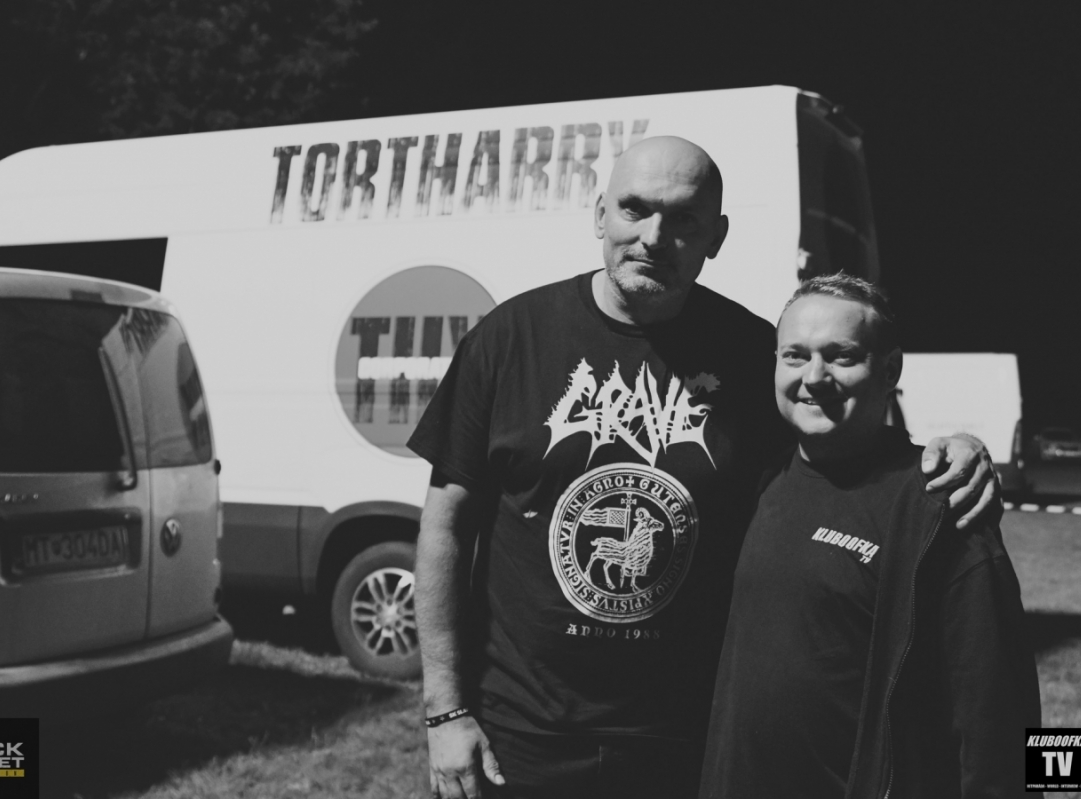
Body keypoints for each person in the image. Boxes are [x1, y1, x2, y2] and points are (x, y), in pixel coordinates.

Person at [408, 136, 999, 799]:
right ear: (600, 215)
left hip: (686, 744)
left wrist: (948, 454)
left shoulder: (753, 355)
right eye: (635, 209)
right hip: (519, 736)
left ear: (715, 237)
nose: (654, 237)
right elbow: (445, 528)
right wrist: (445, 711)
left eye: (684, 219)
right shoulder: (508, 339)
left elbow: (840, 444)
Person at [699, 274, 1041, 799]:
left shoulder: (941, 506)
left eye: (841, 356)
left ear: (890, 370)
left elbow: (1013, 709)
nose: (815, 377)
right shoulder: (756, 482)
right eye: (795, 356)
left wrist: (1056, 784)